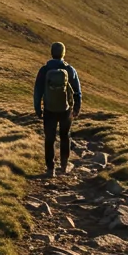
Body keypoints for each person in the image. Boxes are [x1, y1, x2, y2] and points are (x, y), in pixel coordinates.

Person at [34, 41, 83, 177]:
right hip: (65, 110)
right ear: (63, 53)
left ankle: (50, 169)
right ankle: (64, 166)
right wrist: (77, 108)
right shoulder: (69, 69)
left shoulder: (44, 70)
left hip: (49, 109)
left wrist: (38, 108)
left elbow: (38, 91)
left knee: (50, 138)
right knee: (65, 137)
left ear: (51, 53)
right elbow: (77, 91)